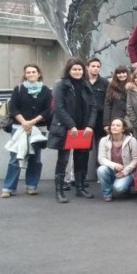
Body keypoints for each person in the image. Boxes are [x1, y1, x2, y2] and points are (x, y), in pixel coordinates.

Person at [47, 58, 97, 203]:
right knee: (63, 160)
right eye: (74, 69)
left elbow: (93, 107)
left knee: (81, 158)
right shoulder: (61, 85)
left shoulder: (86, 84)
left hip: (83, 128)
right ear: (69, 70)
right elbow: (59, 108)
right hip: (66, 128)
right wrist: (71, 125)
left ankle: (80, 188)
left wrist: (90, 125)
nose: (77, 72)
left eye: (80, 69)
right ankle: (59, 191)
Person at [1, 64, 52, 198]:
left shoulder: (46, 91)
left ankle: (31, 186)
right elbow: (13, 108)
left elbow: (48, 110)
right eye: (28, 72)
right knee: (14, 158)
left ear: (39, 74)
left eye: (33, 72)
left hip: (37, 129)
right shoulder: (18, 89)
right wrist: (24, 123)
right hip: (19, 128)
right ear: (25, 75)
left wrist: (32, 122)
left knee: (35, 159)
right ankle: (8, 188)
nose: (31, 74)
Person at [97, 118, 137, 201]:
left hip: (127, 172)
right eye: (113, 125)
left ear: (123, 129)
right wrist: (114, 165)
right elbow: (101, 158)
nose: (114, 127)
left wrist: (125, 171)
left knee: (119, 188)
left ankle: (126, 188)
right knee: (101, 169)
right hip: (112, 170)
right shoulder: (104, 140)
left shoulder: (132, 140)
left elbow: (136, 160)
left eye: (118, 125)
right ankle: (107, 194)